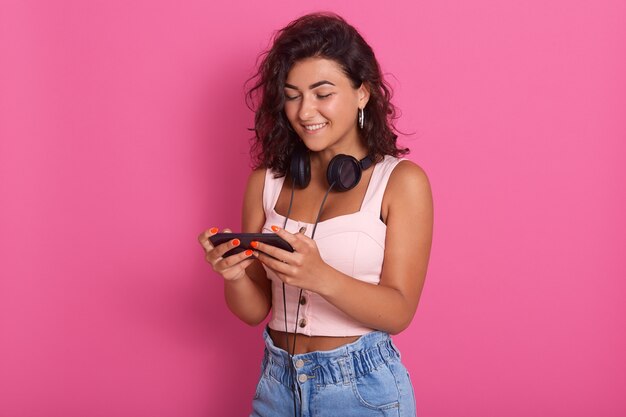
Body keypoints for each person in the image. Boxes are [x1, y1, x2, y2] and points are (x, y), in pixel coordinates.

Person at [198, 12, 433, 417]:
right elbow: (254, 312)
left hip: (361, 390)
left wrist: (319, 276)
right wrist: (233, 274)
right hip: (277, 384)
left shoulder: (401, 182)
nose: (305, 111)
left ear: (362, 93)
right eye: (292, 95)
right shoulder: (265, 183)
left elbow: (399, 312)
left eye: (323, 93)